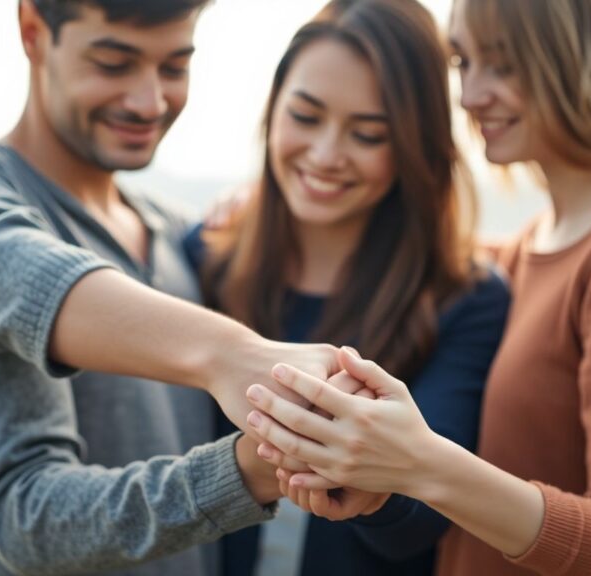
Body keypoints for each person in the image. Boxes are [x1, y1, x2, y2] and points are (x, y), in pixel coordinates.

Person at [244, 0, 591, 575]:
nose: (470, 97)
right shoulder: (532, 245)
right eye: (463, 63)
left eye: (504, 65)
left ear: (582, 57)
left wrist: (419, 464)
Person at [0, 1, 378, 574]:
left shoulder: (176, 237)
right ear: (33, 32)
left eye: (174, 68)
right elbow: (32, 521)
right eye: (113, 63)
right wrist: (241, 396)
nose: (149, 102)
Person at [184, 1, 510, 575]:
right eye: (306, 117)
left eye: (367, 134)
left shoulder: (467, 299)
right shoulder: (202, 261)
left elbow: (421, 517)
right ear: (273, 107)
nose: (326, 155)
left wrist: (376, 484)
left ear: (416, 146)